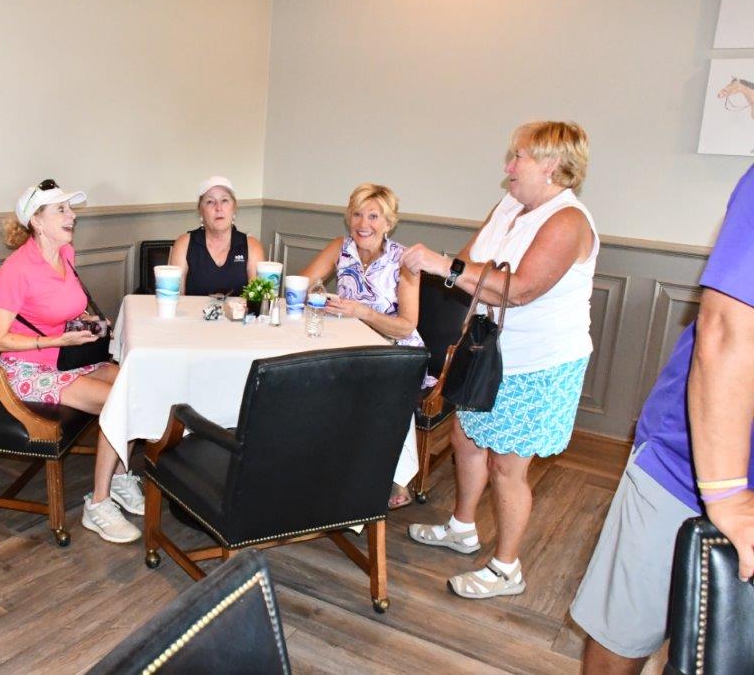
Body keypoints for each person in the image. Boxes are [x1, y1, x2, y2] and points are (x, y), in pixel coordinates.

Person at [402, 121, 597, 598]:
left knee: (507, 468)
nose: (508, 166)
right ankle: (462, 528)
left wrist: (445, 266)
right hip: (487, 350)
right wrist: (446, 269)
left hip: (537, 363)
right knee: (467, 439)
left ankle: (508, 568)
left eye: (518, 157)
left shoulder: (568, 221)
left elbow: (521, 289)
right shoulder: (509, 206)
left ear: (551, 164)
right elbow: (470, 262)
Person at [571, 164, 754, 674]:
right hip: (690, 468)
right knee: (626, 628)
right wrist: (726, 493)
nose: (510, 166)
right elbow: (727, 330)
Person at [0, 179, 143, 544]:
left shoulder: (64, 254)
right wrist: (56, 339)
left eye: (70, 209)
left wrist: (87, 321)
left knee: (137, 384)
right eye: (61, 210)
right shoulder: (16, 270)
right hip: (28, 371)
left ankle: (120, 478)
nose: (72, 215)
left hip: (68, 360)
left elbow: (63, 307)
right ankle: (98, 504)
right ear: (36, 221)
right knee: (119, 402)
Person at [300, 183, 426, 509]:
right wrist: (312, 295)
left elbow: (407, 325)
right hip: (347, 343)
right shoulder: (340, 248)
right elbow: (300, 285)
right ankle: (320, 465)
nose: (363, 223)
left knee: (378, 386)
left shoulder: (404, 260)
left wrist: (362, 312)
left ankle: (391, 476)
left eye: (373, 216)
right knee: (306, 376)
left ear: (389, 223)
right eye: (357, 214)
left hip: (395, 348)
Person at [169, 175, 265, 296]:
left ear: (234, 208)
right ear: (200, 211)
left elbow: (258, 301)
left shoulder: (252, 246)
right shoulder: (184, 244)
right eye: (210, 202)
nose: (218, 208)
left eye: (224, 200)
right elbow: (174, 299)